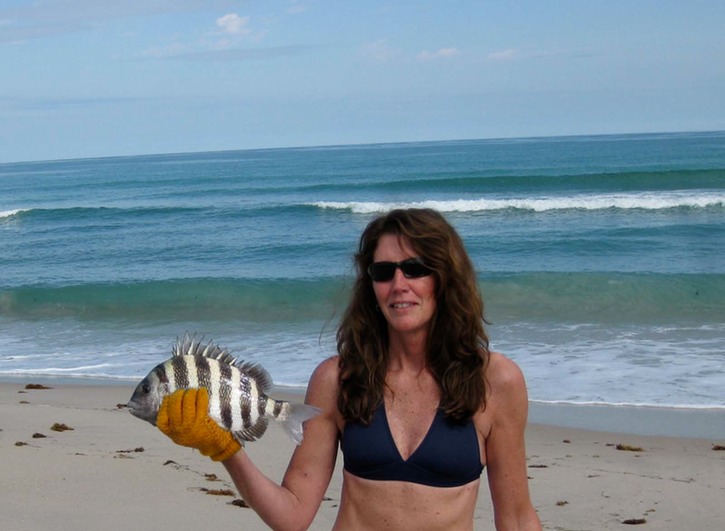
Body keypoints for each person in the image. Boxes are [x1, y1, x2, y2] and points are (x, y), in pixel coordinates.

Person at [157, 208, 541, 530]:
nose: (398, 284)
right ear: (370, 285)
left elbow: (517, 519)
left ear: (444, 277)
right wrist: (226, 449)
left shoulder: (495, 381)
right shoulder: (336, 380)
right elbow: (292, 514)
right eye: (383, 272)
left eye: (415, 268)